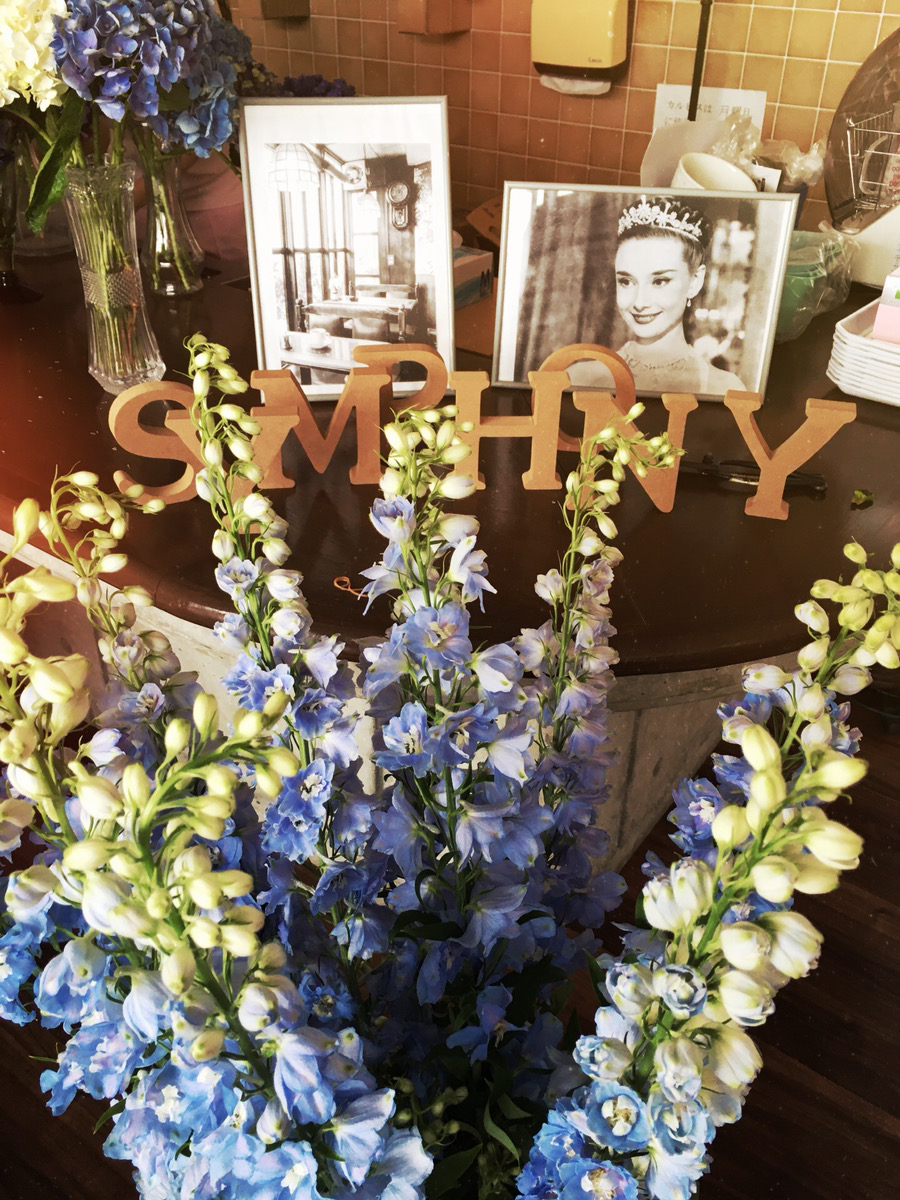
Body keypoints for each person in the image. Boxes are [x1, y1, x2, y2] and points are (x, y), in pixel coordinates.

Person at [568, 195, 747, 395]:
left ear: (695, 281)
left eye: (659, 281)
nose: (639, 302)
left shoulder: (725, 388)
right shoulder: (579, 378)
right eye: (626, 282)